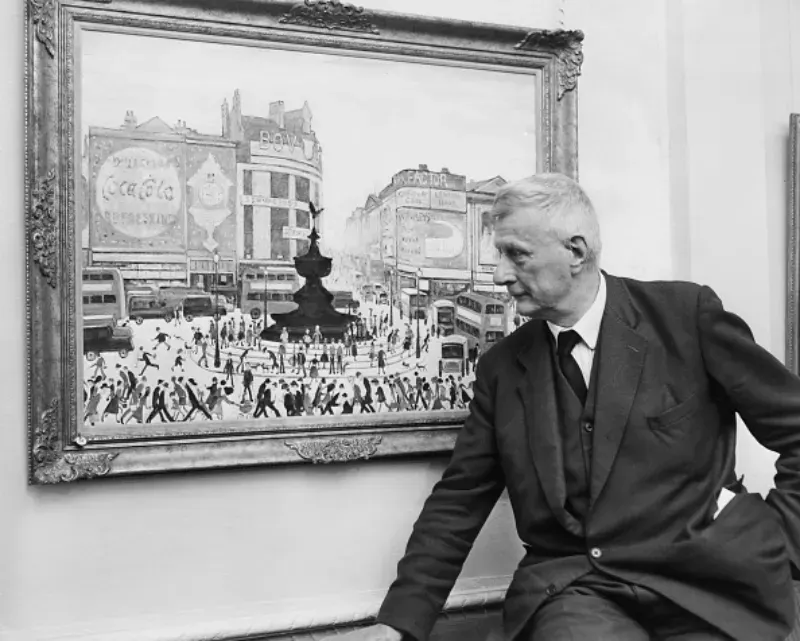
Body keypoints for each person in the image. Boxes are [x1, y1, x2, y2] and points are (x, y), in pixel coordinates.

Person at [323, 173, 800, 641]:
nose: (500, 274)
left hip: (710, 584)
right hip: (580, 591)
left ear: (575, 251)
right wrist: (399, 622)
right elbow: (459, 500)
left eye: (517, 255)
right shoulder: (502, 370)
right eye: (500, 254)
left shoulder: (685, 317)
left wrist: (780, 536)